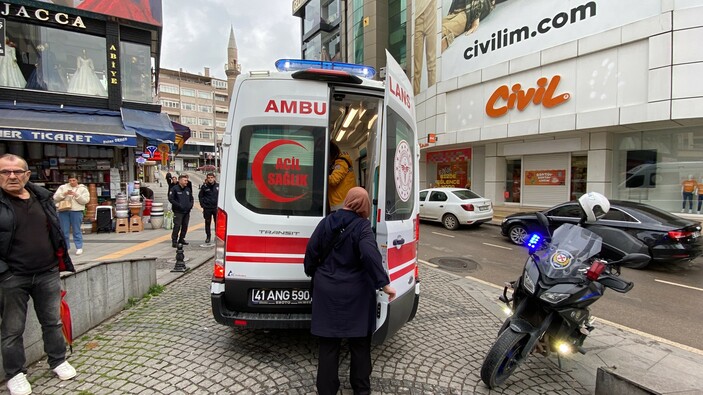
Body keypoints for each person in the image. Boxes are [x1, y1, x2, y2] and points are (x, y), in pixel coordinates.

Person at [303, 187, 396, 395]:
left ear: (347, 200)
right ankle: (361, 389)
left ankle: (327, 390)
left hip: (326, 292)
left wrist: (313, 273)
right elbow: (371, 256)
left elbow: (311, 251)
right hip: (356, 295)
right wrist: (384, 283)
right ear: (363, 206)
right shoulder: (363, 227)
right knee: (360, 345)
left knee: (328, 346)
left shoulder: (327, 221)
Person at [0, 154, 77, 395]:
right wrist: (4, 272)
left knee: (52, 321)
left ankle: (58, 360)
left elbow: (54, 231)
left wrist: (58, 262)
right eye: (5, 172)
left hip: (47, 272)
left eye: (16, 171)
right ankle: (16, 374)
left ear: (26, 175)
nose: (11, 176)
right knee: (12, 330)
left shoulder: (41, 197)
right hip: (13, 277)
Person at [53, 174, 90, 255]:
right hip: (63, 210)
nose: (72, 182)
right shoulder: (63, 187)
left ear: (77, 180)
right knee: (64, 231)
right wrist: (64, 194)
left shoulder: (82, 189)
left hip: (76, 211)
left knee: (76, 230)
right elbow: (55, 197)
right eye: (70, 180)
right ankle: (66, 247)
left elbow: (85, 200)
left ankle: (79, 247)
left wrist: (76, 195)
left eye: (74, 180)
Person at [412, 0, 437, 95]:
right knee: (417, 68)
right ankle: (416, 100)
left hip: (431, 14)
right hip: (417, 18)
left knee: (431, 63)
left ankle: (433, 96)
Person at [328, 142, 356, 213]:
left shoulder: (341, 162)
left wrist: (321, 175)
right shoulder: (339, 162)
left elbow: (333, 180)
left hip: (341, 205)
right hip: (342, 205)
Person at [168, 174, 193, 248]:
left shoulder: (187, 189)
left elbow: (191, 198)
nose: (186, 182)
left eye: (187, 180)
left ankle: (181, 239)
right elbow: (171, 199)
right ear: (180, 181)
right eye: (185, 180)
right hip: (178, 211)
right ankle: (174, 241)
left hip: (186, 211)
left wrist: (190, 205)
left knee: (185, 226)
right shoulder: (174, 189)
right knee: (177, 226)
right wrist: (178, 205)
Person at [198, 172, 219, 244]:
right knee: (207, 222)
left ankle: (217, 236)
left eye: (211, 178)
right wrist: (202, 205)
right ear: (207, 178)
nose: (210, 179)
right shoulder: (204, 187)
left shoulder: (218, 186)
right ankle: (208, 236)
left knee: (217, 223)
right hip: (207, 208)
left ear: (214, 178)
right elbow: (200, 196)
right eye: (209, 178)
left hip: (216, 208)